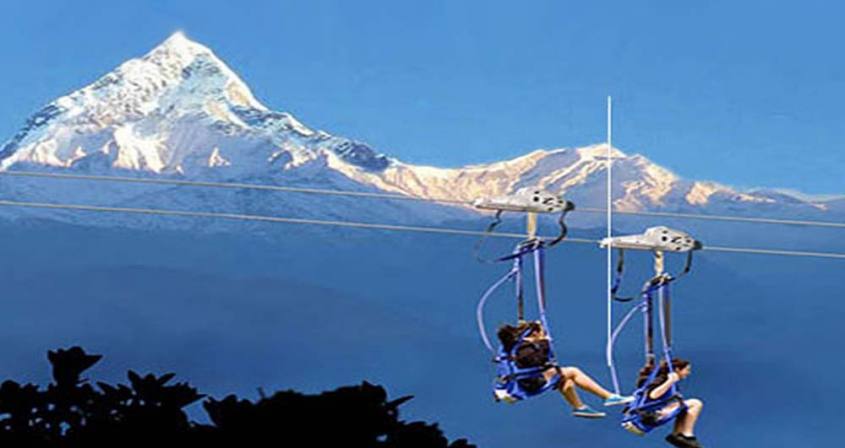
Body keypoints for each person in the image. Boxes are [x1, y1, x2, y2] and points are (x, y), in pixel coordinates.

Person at [496, 321, 633, 418]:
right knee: (573, 371)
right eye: (542, 332)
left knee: (565, 380)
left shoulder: (514, 346)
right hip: (529, 384)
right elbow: (538, 361)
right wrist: (544, 343)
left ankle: (580, 408)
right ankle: (608, 397)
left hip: (523, 381)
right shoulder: (526, 348)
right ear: (535, 333)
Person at [634, 358, 704, 448]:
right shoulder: (662, 380)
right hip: (651, 415)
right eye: (687, 370)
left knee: (684, 406)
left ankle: (677, 435)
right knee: (695, 403)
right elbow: (653, 395)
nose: (688, 373)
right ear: (677, 370)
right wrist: (670, 381)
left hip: (655, 411)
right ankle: (687, 435)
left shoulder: (664, 381)